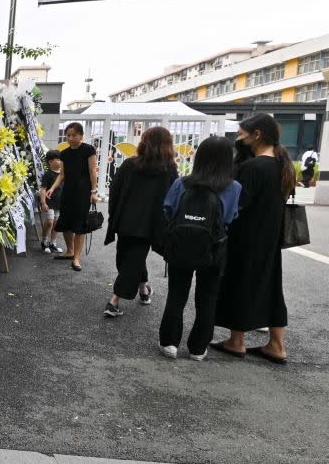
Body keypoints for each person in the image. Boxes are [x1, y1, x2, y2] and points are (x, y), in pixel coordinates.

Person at [211, 113, 295, 365]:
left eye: (241, 135)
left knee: (239, 283)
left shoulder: (252, 167)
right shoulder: (283, 165)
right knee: (271, 287)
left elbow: (239, 204)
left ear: (256, 135)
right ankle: (277, 345)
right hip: (271, 238)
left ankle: (236, 341)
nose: (239, 140)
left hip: (245, 236)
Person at [158, 136, 241, 360]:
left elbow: (168, 210)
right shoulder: (233, 187)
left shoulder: (181, 183)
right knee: (207, 298)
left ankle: (169, 343)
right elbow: (231, 217)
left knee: (177, 294)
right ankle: (198, 348)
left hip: (181, 245)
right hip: (214, 249)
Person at [102, 127, 178, 318]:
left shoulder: (129, 165)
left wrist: (114, 216)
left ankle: (114, 300)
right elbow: (173, 197)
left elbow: (115, 192)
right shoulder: (168, 168)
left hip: (126, 221)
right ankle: (143, 290)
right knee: (134, 258)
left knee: (128, 259)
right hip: (151, 223)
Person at [47, 122, 99, 271]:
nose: (70, 138)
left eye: (74, 135)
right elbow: (62, 175)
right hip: (68, 192)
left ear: (81, 135)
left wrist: (93, 192)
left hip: (83, 193)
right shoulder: (64, 153)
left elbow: (92, 172)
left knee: (79, 226)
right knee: (65, 223)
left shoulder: (88, 150)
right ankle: (70, 251)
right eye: (68, 135)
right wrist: (52, 188)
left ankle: (76, 258)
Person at [39, 150, 64, 253]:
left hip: (60, 203)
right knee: (49, 222)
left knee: (56, 223)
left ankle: (53, 243)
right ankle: (44, 242)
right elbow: (43, 189)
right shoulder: (48, 174)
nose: (60, 161)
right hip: (49, 202)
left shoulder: (63, 173)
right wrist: (43, 202)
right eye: (58, 159)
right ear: (50, 162)